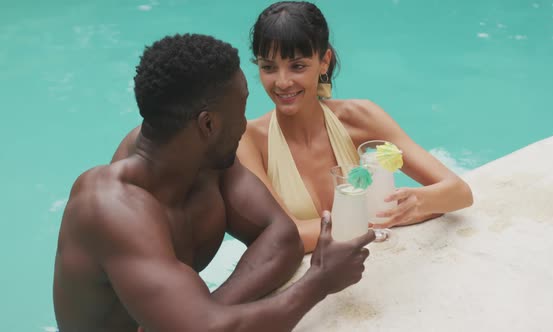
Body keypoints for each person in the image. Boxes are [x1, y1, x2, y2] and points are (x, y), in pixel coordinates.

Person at [53, 33, 374, 332]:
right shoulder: (110, 208)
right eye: (241, 109)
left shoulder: (203, 157)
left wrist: (207, 310)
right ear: (208, 124)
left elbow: (281, 236)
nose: (245, 123)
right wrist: (318, 282)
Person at [237, 1, 474, 253]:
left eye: (297, 66)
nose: (282, 82)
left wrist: (413, 203)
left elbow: (459, 192)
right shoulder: (250, 141)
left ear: (324, 61)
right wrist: (369, 219)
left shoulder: (360, 117)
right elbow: (284, 237)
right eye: (268, 67)